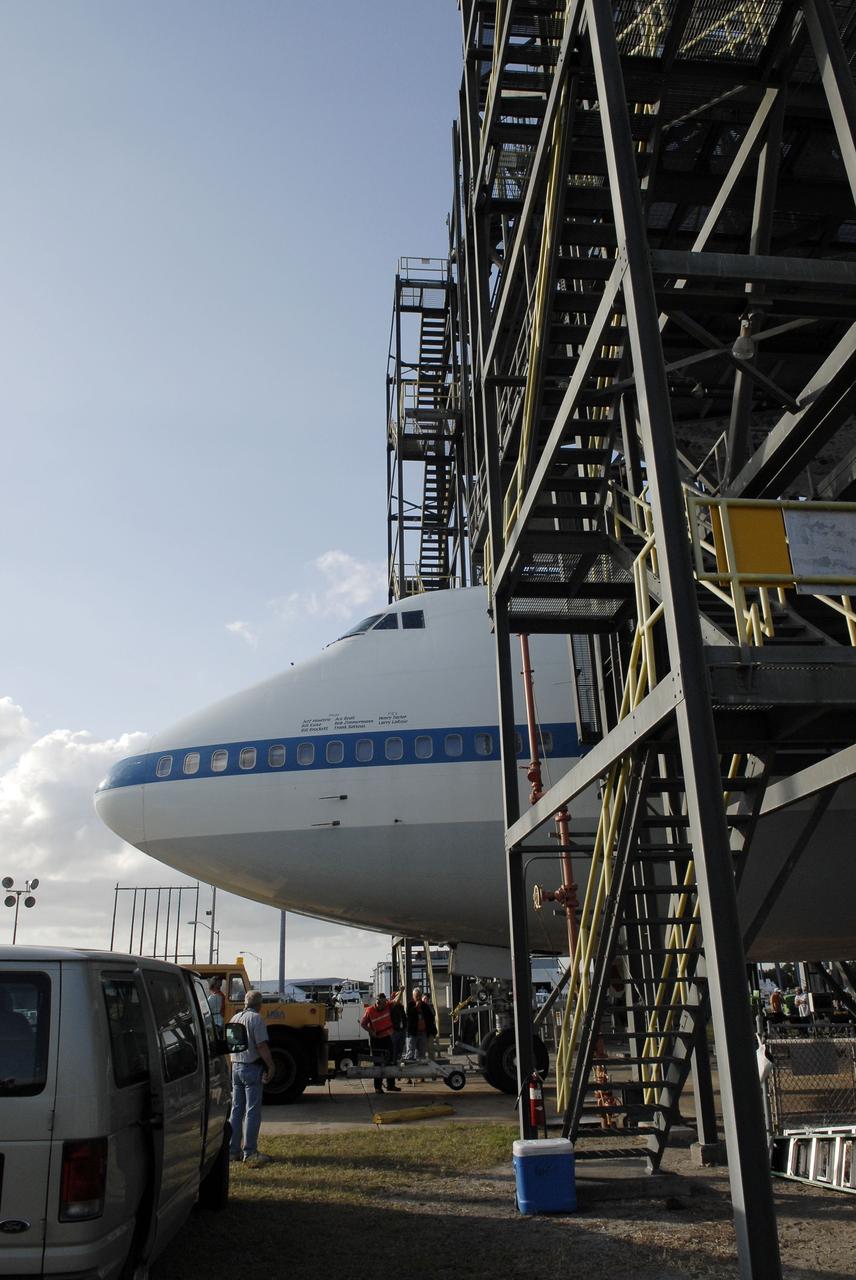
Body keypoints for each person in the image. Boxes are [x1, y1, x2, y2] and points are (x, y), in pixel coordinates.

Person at [228, 990, 274, 1166]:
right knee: (252, 1111)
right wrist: (271, 1065)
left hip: (236, 1067)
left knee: (236, 1110)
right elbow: (261, 1045)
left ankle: (233, 1150)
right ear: (260, 1005)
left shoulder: (234, 1018)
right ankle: (250, 1152)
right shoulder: (256, 1019)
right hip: (252, 1067)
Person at [360, 993, 400, 1093]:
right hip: (376, 1040)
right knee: (377, 1063)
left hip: (387, 1037)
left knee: (390, 1061)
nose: (383, 1006)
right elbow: (363, 1024)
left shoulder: (387, 1006)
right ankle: (378, 1087)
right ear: (377, 1002)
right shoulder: (369, 1010)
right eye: (381, 1003)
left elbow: (396, 1001)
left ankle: (391, 1085)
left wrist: (402, 991)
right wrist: (371, 1031)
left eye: (384, 1003)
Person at [404, 988, 437, 1061]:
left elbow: (431, 1018)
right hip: (413, 1033)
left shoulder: (425, 1006)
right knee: (410, 1052)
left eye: (419, 996)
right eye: (416, 996)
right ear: (413, 997)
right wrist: (416, 1007)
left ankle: (421, 1068)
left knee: (421, 1053)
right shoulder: (410, 1004)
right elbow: (408, 1014)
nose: (418, 998)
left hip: (423, 1032)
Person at [389, 990, 406, 1064]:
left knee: (401, 1047)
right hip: (395, 1031)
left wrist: (405, 1026)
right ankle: (393, 1062)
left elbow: (404, 1017)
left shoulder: (401, 1007)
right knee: (394, 1048)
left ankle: (398, 1061)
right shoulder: (391, 1006)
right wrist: (401, 991)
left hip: (402, 1030)